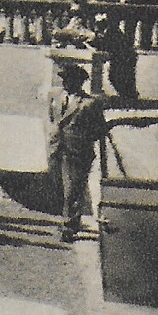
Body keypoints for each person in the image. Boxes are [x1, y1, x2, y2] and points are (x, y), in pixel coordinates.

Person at [48, 62, 109, 242]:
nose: (65, 83)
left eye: (69, 80)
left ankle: (69, 227)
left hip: (78, 153)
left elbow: (100, 130)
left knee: (72, 191)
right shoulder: (56, 98)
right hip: (58, 148)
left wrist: (81, 139)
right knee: (61, 189)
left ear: (78, 82)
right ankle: (69, 221)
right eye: (64, 80)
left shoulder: (90, 104)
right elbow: (54, 119)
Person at [93, 13, 139, 100]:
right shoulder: (106, 32)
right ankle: (127, 96)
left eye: (99, 24)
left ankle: (129, 96)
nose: (98, 26)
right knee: (116, 77)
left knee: (119, 77)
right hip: (120, 57)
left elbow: (108, 46)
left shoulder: (112, 32)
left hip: (125, 57)